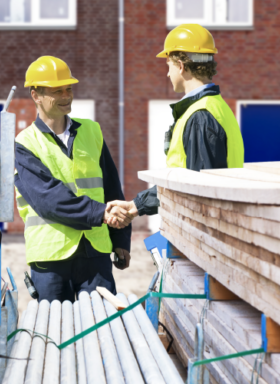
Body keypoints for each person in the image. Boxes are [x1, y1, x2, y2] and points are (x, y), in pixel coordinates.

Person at [14, 56, 133, 302]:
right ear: (35, 95)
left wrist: (121, 237)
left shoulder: (92, 131)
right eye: (57, 91)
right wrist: (102, 214)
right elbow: (49, 199)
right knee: (54, 333)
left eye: (69, 89)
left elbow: (111, 185)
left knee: (99, 329)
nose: (66, 96)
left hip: (96, 250)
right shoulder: (24, 144)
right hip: (50, 257)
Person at [106, 24, 245, 226]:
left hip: (201, 239)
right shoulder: (216, 107)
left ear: (180, 66)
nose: (168, 74)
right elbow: (185, 181)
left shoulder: (200, 116)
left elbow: (199, 192)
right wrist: (136, 205)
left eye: (168, 66)